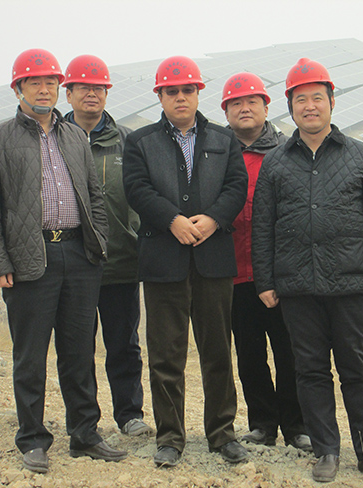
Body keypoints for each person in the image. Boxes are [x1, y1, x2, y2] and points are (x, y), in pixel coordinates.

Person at [0, 48, 126, 474]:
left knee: (79, 352)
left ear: (60, 87)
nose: (44, 89)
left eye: (51, 82)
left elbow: (94, 197)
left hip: (79, 255)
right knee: (30, 355)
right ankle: (33, 439)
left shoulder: (74, 136)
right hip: (28, 257)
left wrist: (98, 246)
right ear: (18, 88)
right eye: (34, 82)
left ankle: (85, 434)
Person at [251, 58, 363, 485]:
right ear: (290, 108)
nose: (310, 106)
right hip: (297, 287)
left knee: (357, 370)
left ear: (332, 102)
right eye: (301, 100)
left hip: (350, 283)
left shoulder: (360, 156)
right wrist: (266, 281)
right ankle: (326, 451)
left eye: (317, 98)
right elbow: (263, 225)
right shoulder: (276, 162)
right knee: (310, 371)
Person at [122, 55, 249, 467]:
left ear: (198, 94)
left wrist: (213, 219)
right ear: (160, 96)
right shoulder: (140, 141)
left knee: (217, 353)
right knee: (165, 356)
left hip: (213, 261)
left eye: (187, 90)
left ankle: (222, 434)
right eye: (172, 91)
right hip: (163, 261)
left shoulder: (224, 140)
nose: (180, 97)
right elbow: (136, 188)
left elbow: (236, 186)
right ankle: (170, 438)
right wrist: (171, 220)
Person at [63, 54, 153, 437]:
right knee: (77, 348)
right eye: (83, 87)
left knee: (124, 345)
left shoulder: (128, 142)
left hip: (120, 262)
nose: (92, 94)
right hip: (71, 265)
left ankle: (130, 414)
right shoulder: (53, 141)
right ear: (68, 93)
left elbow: (145, 196)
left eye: (98, 88)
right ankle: (84, 420)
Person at [221, 72, 310, 453]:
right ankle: (262, 424)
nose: (245, 108)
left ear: (266, 107)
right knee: (250, 353)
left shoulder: (288, 150)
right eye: (236, 103)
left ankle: (297, 425)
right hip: (233, 270)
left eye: (252, 101)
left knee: (291, 352)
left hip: (282, 271)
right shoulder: (217, 153)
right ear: (225, 110)